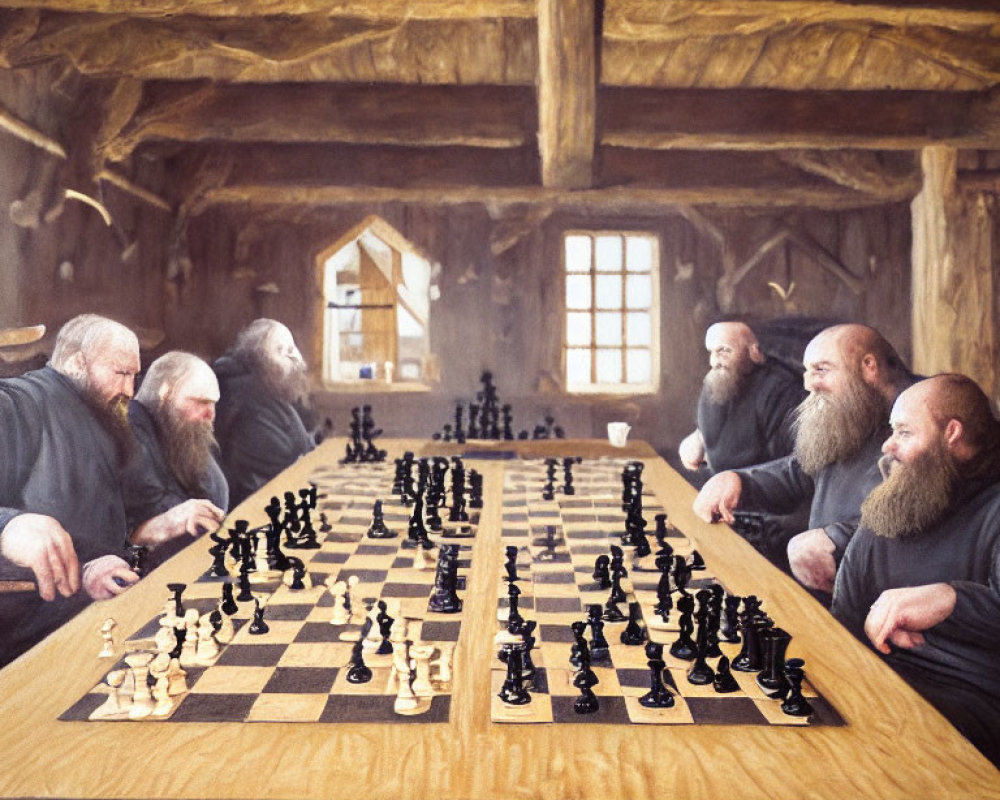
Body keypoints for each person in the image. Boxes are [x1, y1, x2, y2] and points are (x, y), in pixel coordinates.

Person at [831, 374, 1000, 766]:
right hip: (881, 681)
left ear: (951, 433)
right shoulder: (898, 500)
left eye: (904, 432)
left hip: (973, 708)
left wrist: (949, 599)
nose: (888, 446)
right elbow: (845, 617)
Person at [692, 323, 912, 594]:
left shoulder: (921, 416)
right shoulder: (856, 407)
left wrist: (838, 538)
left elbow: (920, 522)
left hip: (892, 603)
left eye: (821, 370)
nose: (809, 384)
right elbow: (802, 470)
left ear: (869, 366)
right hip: (833, 585)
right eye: (807, 372)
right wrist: (740, 481)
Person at [0, 315, 142, 665]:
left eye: (134, 376)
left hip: (95, 613)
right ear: (79, 363)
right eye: (121, 374)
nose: (130, 390)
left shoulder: (100, 410)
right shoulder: (22, 402)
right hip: (34, 642)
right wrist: (8, 526)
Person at [121, 351, 228, 569]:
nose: (210, 414)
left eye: (213, 403)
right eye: (200, 401)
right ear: (165, 393)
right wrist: (171, 521)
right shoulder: (128, 432)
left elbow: (215, 494)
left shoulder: (181, 432)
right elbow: (126, 531)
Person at [678, 321, 804, 475]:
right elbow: (710, 429)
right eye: (711, 351)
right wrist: (698, 438)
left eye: (724, 350)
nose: (714, 361)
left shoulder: (780, 389)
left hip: (759, 491)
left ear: (754, 352)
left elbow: (787, 465)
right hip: (714, 481)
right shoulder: (718, 380)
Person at [213, 319, 315, 509]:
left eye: (292, 349)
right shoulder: (244, 394)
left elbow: (305, 448)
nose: (295, 358)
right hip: (255, 508)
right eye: (281, 350)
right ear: (258, 358)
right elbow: (283, 461)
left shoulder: (273, 391)